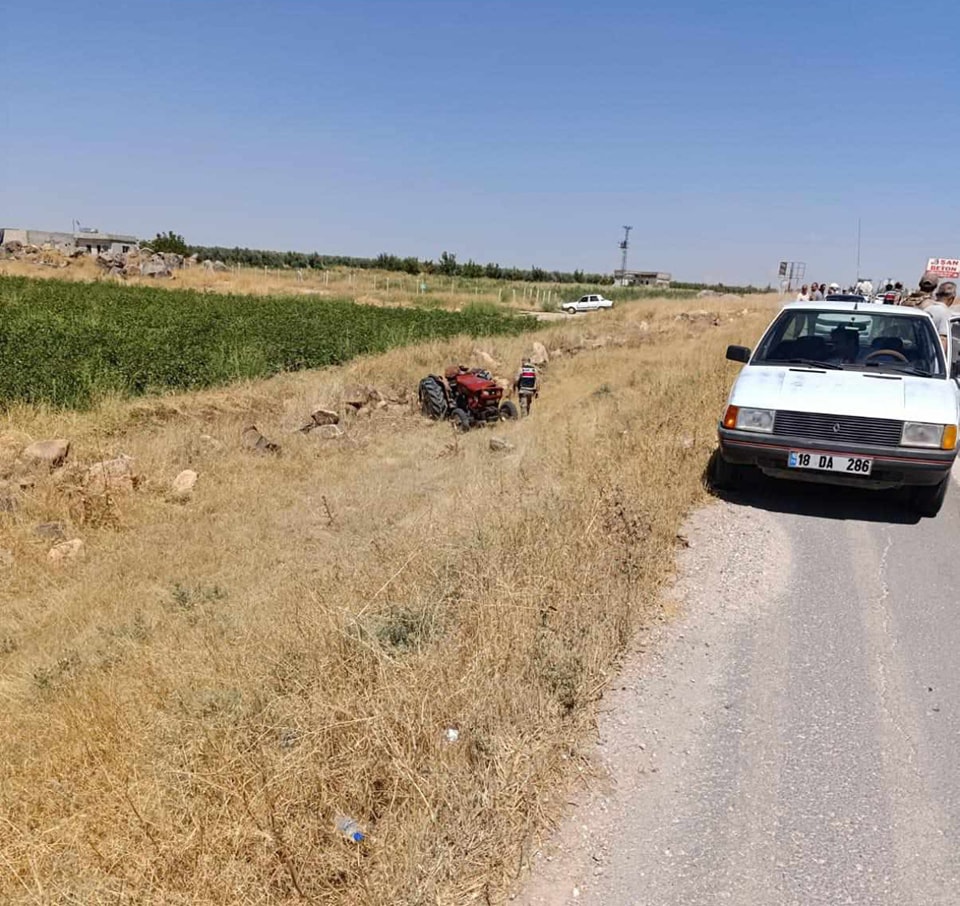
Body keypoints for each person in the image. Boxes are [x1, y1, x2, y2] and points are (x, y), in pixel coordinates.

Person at [922, 280, 956, 353]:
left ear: (937, 295)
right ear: (952, 298)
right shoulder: (945, 313)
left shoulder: (927, 308)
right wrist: (940, 362)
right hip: (932, 355)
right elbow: (943, 339)